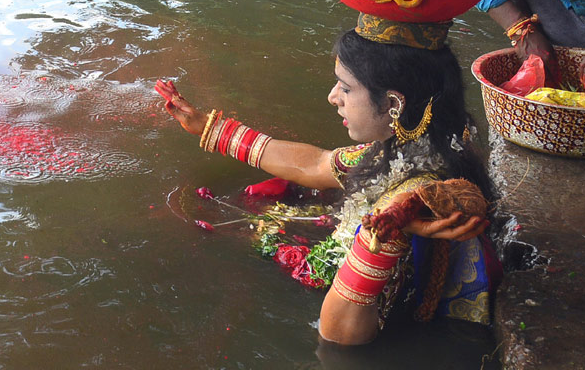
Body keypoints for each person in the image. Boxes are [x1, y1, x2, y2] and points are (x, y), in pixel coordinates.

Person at [156, 19, 498, 345]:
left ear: (393, 103)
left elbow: (338, 336)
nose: (333, 97)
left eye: (346, 88)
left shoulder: (408, 202)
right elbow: (315, 163)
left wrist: (379, 236)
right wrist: (209, 128)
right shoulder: (413, 149)